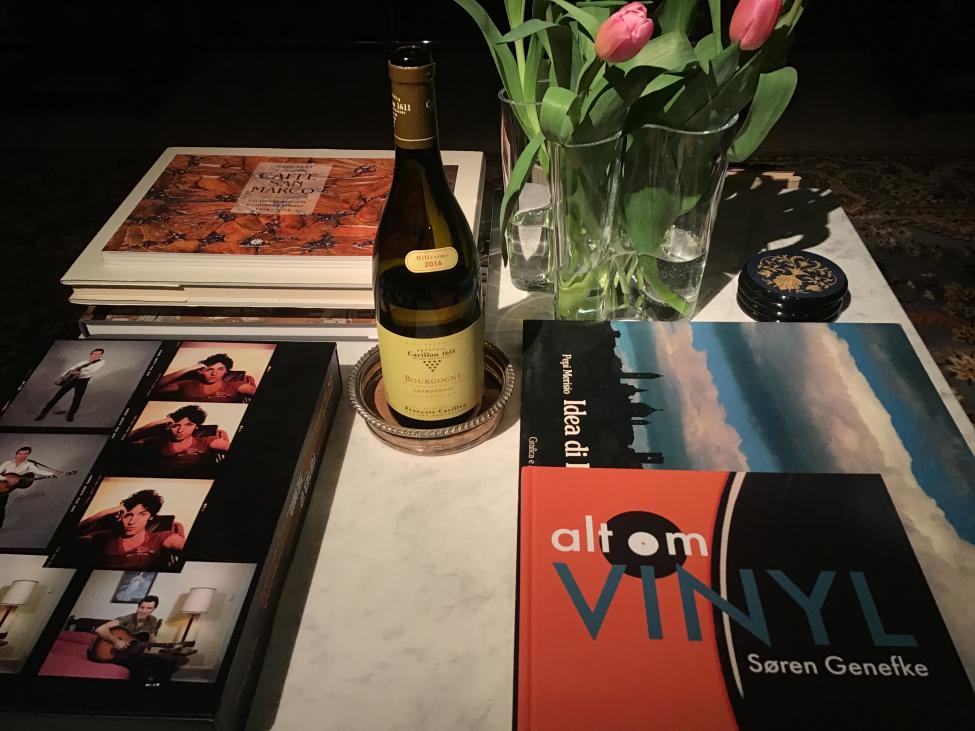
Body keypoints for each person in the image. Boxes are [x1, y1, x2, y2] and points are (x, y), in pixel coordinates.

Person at [76, 489, 185, 570]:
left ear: (151, 517)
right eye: (128, 515)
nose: (132, 521)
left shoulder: (160, 538)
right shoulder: (105, 536)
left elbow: (183, 546)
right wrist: (101, 514)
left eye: (142, 514)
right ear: (121, 516)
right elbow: (69, 537)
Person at [125, 404, 230, 476]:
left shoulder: (206, 441)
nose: (180, 430)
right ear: (169, 426)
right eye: (176, 426)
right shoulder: (158, 441)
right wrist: (153, 424)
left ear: (197, 426)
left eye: (188, 425)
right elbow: (126, 440)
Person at [94, 595, 178, 685]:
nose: (144, 611)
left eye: (149, 608)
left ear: (154, 609)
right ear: (138, 607)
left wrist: (164, 645)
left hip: (134, 652)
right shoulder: (127, 618)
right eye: (142, 607)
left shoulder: (153, 620)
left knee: (165, 663)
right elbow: (100, 629)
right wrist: (116, 641)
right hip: (119, 653)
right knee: (141, 669)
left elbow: (151, 637)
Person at [0, 446, 67, 530]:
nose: (22, 456)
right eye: (20, 454)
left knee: (1, 507)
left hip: (4, 489)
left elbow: (39, 471)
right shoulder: (7, 463)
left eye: (25, 454)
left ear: (28, 455)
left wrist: (52, 474)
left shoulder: (29, 465)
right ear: (16, 454)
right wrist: (6, 478)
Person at [36, 347, 106, 422]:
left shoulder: (101, 362)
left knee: (77, 399)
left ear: (100, 355)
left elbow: (91, 371)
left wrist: (78, 372)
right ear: (91, 354)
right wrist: (61, 377)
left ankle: (71, 415)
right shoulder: (83, 362)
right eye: (94, 354)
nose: (95, 355)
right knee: (57, 396)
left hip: (82, 382)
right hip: (72, 379)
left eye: (98, 354)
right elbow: (70, 369)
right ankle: (43, 413)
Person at [154, 353, 256, 402]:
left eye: (220, 369)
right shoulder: (186, 384)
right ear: (201, 371)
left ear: (226, 372)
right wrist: (188, 369)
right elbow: (153, 387)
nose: (214, 373)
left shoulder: (235, 386)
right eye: (210, 369)